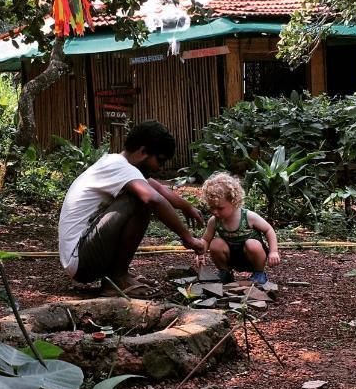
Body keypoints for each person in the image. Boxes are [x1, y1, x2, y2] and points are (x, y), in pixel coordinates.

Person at [58, 120, 205, 296]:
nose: (159, 168)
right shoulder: (121, 167)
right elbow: (153, 198)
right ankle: (118, 278)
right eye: (159, 160)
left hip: (82, 257)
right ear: (143, 152)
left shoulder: (118, 164)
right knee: (141, 201)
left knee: (144, 194)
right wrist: (187, 238)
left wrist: (186, 206)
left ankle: (117, 276)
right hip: (81, 260)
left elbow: (157, 187)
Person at [201, 171, 280, 285]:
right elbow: (206, 239)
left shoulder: (248, 216)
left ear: (234, 201)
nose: (215, 212)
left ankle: (259, 273)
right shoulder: (214, 221)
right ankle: (225, 272)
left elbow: (269, 230)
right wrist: (200, 253)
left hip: (250, 257)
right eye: (212, 207)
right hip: (231, 258)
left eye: (220, 208)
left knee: (252, 244)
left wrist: (273, 252)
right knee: (215, 243)